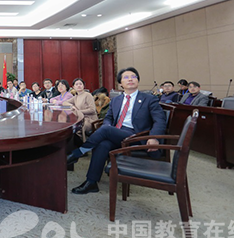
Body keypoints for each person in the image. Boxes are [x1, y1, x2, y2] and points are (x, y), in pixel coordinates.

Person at [67, 67, 166, 195]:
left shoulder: (149, 99)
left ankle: (78, 153)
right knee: (103, 144)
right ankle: (91, 182)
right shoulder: (116, 100)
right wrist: (108, 126)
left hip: (137, 136)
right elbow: (108, 118)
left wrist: (154, 137)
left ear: (138, 80)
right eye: (126, 77)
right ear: (120, 83)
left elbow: (160, 120)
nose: (130, 79)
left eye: (133, 77)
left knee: (106, 130)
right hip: (117, 134)